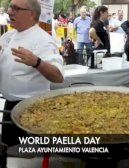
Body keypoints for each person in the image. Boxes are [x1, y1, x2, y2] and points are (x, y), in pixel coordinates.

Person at [0, 0, 64, 166]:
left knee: (29, 162)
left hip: (33, 111)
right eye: (10, 7)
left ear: (31, 14)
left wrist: (37, 62)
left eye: (16, 8)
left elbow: (58, 77)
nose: (10, 11)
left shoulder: (43, 40)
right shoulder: (8, 36)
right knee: (11, 158)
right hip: (10, 108)